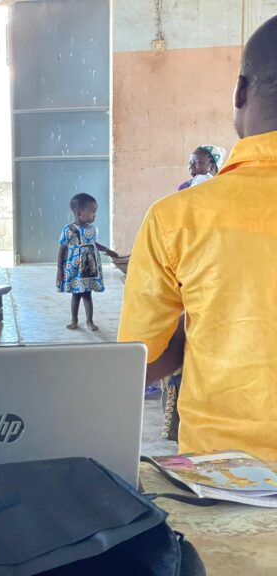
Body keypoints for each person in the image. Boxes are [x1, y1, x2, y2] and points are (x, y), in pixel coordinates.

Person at [119, 15, 277, 460]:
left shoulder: (177, 218)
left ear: (240, 92)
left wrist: (209, 326)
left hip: (224, 473)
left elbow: (139, 358)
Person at [57, 193, 118, 331]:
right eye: (92, 212)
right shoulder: (68, 229)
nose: (95, 215)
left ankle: (89, 321)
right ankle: (74, 320)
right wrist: (59, 270)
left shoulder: (92, 229)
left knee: (87, 294)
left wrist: (107, 250)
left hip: (89, 268)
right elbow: (62, 249)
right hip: (74, 269)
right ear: (79, 213)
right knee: (76, 294)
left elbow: (94, 244)